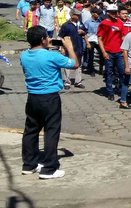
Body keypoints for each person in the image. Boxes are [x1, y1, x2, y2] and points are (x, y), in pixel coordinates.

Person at [19, 26, 80, 180]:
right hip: (49, 98)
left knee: (31, 130)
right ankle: (49, 168)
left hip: (32, 97)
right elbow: (75, 64)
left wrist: (46, 45)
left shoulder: (24, 55)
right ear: (42, 40)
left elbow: (38, 54)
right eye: (46, 37)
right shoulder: (52, 56)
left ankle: (29, 164)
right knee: (51, 132)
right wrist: (69, 47)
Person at [98, 4, 126, 102]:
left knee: (121, 72)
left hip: (119, 52)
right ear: (108, 13)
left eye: (115, 12)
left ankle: (122, 91)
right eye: (112, 12)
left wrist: (125, 48)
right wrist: (103, 52)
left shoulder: (119, 22)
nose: (115, 14)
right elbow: (100, 39)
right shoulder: (104, 23)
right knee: (109, 73)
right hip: (108, 52)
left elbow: (123, 36)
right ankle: (110, 92)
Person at [58, 9, 87, 89]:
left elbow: (85, 32)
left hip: (79, 47)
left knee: (79, 66)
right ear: (72, 15)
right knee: (67, 65)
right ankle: (67, 82)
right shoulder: (66, 25)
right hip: (69, 48)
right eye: (77, 15)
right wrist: (62, 48)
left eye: (79, 15)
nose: (78, 16)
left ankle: (78, 82)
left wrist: (83, 32)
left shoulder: (80, 23)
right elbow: (61, 37)